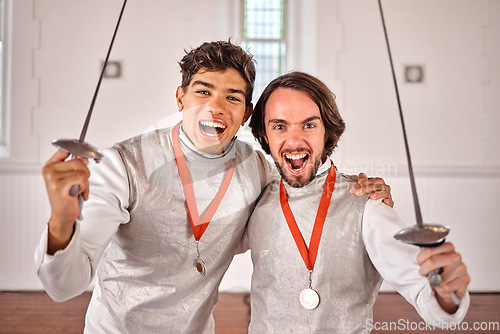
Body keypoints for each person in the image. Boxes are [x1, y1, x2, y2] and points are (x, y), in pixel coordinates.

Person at [35, 41, 392, 333]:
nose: (215, 107)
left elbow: (302, 195)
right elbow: (62, 287)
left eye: (232, 98)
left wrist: (360, 191)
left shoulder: (257, 170)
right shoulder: (122, 164)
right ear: (181, 98)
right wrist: (61, 222)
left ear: (247, 113)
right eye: (202, 91)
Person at [246, 71, 470, 333]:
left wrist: (448, 292)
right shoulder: (255, 201)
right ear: (264, 133)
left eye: (309, 125)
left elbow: (431, 300)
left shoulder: (367, 203)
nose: (294, 141)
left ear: (327, 130)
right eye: (280, 126)